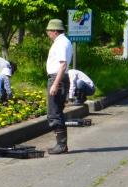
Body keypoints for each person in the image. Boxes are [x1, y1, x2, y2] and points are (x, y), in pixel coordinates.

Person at [45, 19, 73, 154]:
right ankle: (61, 144)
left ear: (55, 31)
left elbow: (63, 65)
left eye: (49, 31)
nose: (48, 34)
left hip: (58, 78)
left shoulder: (61, 43)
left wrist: (55, 84)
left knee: (54, 113)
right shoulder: (64, 41)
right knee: (57, 112)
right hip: (60, 78)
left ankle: (61, 145)